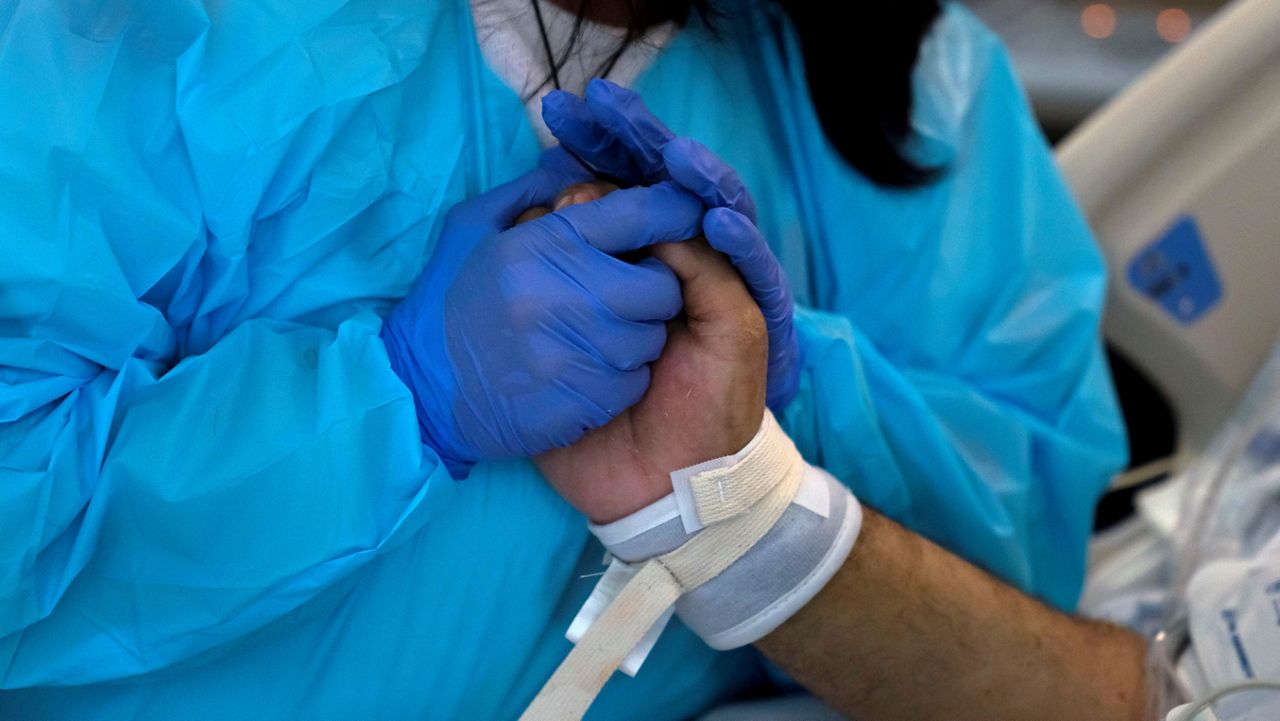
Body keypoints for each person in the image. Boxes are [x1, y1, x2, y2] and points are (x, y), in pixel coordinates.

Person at [0, 1, 1126, 719]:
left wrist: (765, 434)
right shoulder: (140, 35)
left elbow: (1011, 606)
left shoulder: (913, 86)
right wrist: (399, 395)